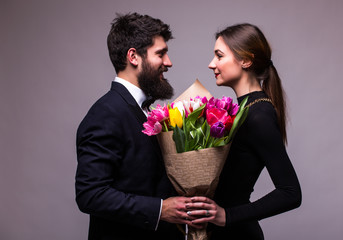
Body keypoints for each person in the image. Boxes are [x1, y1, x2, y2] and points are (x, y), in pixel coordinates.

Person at [75, 13, 196, 240]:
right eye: (160, 53)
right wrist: (160, 210)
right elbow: (90, 194)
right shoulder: (105, 113)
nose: (168, 62)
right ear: (134, 56)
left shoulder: (145, 110)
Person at [185, 23, 302, 239]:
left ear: (246, 60)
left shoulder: (259, 114)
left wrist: (227, 216)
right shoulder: (240, 109)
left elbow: (291, 193)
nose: (212, 64)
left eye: (219, 56)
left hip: (238, 234)